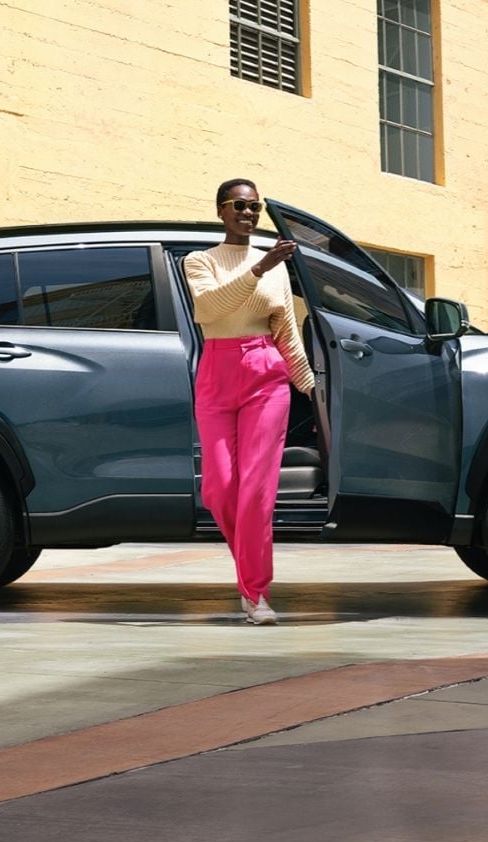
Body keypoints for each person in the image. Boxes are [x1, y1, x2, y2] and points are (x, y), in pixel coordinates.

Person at [182, 179, 315, 625]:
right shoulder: (199, 261)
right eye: (239, 205)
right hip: (216, 373)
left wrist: (310, 387)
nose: (248, 212)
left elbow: (286, 332)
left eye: (254, 206)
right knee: (218, 488)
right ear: (221, 211)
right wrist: (259, 268)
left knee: (257, 492)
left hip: (265, 372)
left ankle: (255, 593)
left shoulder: (274, 265)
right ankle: (249, 573)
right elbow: (209, 309)